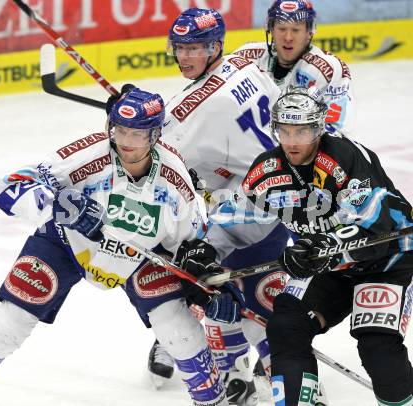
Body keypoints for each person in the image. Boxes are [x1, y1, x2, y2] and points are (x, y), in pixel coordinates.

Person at [0, 89, 246, 406]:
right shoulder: (87, 154)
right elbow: (11, 186)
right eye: (120, 130)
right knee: (9, 323)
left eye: (137, 133)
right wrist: (58, 202)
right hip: (66, 244)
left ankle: (212, 400)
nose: (126, 141)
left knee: (177, 327)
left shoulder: (175, 179)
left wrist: (205, 287)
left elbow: (194, 246)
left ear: (155, 134)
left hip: (139, 257)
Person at [191, 85, 413, 405]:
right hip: (327, 267)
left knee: (377, 347)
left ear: (319, 128)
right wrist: (207, 251)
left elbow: (375, 219)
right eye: (285, 130)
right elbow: (236, 223)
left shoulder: (345, 157)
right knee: (286, 326)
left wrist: (325, 243)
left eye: (303, 131)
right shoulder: (268, 171)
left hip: (385, 261)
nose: (293, 141)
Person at [147, 7, 290, 404]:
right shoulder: (248, 62)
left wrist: (134, 120)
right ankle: (270, 369)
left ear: (216, 46)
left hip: (249, 210)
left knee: (195, 274)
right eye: (180, 48)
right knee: (255, 291)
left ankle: (246, 369)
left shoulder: (188, 113)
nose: (186, 57)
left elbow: (151, 160)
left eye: (197, 48)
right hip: (286, 194)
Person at [234, 0, 356, 137]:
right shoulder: (247, 57)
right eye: (281, 29)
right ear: (271, 30)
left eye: (296, 30)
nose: (288, 37)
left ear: (309, 33)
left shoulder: (328, 70)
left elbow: (337, 133)